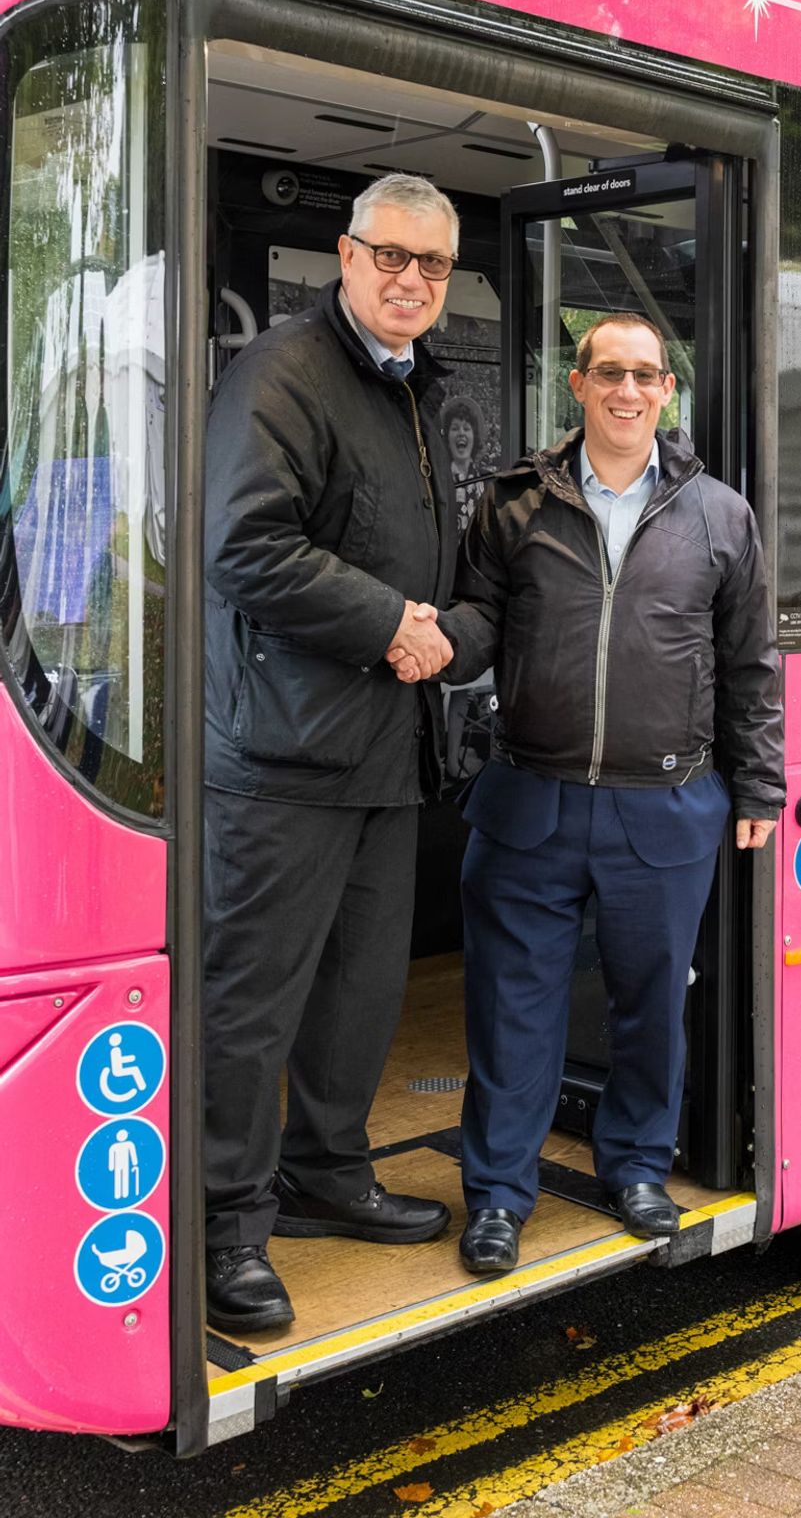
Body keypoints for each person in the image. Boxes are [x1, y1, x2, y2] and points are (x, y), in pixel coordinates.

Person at [443, 313, 785, 1275]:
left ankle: (636, 1167)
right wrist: (422, 638)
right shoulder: (513, 504)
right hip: (529, 801)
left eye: (644, 375)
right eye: (608, 373)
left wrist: (758, 785)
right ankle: (499, 1197)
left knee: (648, 1003)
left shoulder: (720, 515)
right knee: (514, 1007)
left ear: (665, 392)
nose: (626, 391)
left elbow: (750, 667)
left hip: (665, 806)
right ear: (577, 385)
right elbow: (476, 622)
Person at [201, 173, 465, 1333]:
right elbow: (245, 546)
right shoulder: (287, 370)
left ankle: (324, 1174)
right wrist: (391, 623)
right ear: (346, 256)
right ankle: (221, 1223)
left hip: (383, 749)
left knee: (359, 990)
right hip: (280, 757)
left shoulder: (412, 388)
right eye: (390, 255)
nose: (410, 277)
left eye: (433, 265)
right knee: (249, 1002)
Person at [443, 396, 486, 530]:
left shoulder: (488, 482)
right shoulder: (439, 481)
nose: (461, 433)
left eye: (466, 428)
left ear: (475, 437)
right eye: (455, 428)